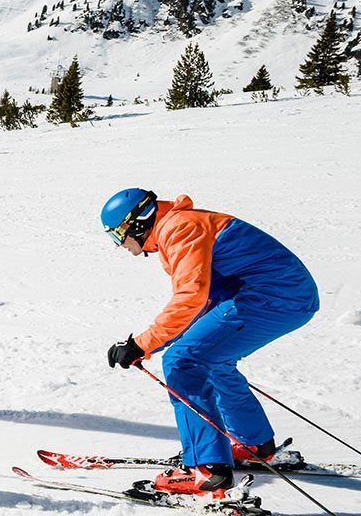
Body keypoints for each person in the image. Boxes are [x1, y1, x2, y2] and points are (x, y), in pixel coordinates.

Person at [101, 189, 318, 498]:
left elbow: (191, 298)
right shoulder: (176, 227)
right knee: (209, 359)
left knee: (183, 361)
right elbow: (201, 305)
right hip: (281, 295)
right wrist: (144, 345)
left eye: (118, 235)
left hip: (272, 296)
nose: (120, 244)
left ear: (136, 224)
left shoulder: (179, 229)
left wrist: (142, 344)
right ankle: (254, 444)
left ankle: (207, 470)